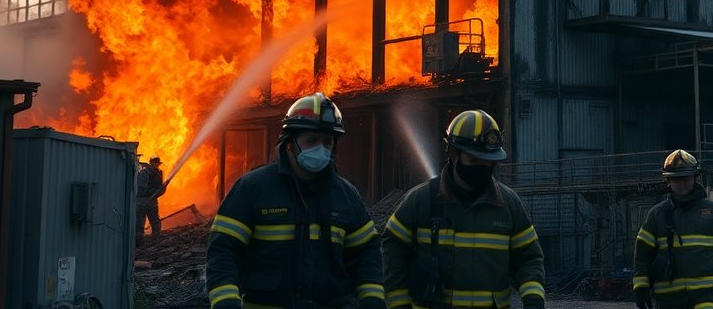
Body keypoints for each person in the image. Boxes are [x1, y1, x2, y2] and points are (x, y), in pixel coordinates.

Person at [206, 93, 385, 309]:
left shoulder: (346, 195)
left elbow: (366, 252)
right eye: (311, 140)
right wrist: (225, 301)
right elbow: (224, 249)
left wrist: (373, 299)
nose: (320, 149)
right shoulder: (253, 188)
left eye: (327, 142)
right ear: (289, 142)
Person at [382, 109, 545, 309]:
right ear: (452, 153)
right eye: (474, 160)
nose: (482, 167)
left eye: (488, 161)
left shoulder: (508, 204)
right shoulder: (421, 200)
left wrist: (533, 300)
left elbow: (529, 257)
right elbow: (392, 250)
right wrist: (399, 304)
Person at [631, 150, 713, 309]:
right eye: (676, 179)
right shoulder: (657, 214)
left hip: (706, 295)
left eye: (685, 178)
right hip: (668, 299)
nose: (681, 183)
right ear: (668, 181)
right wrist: (640, 286)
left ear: (695, 177)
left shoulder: (711, 210)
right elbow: (642, 253)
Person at [135, 155, 166, 245]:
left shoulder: (159, 172)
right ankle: (139, 242)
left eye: (157, 163)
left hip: (152, 201)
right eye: (155, 163)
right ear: (151, 163)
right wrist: (152, 192)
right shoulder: (145, 172)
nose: (156, 165)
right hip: (143, 201)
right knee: (140, 222)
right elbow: (141, 187)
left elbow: (159, 187)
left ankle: (156, 239)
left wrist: (160, 190)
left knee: (155, 220)